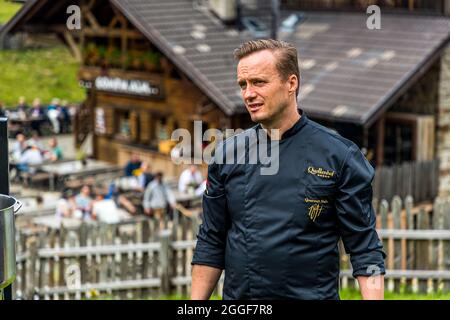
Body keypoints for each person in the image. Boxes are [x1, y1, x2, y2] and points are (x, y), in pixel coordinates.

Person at [191, 39, 386, 300]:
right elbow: (211, 241)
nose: (248, 94)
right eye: (243, 85)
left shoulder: (339, 156)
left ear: (291, 83)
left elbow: (365, 248)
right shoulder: (226, 155)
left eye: (259, 82)